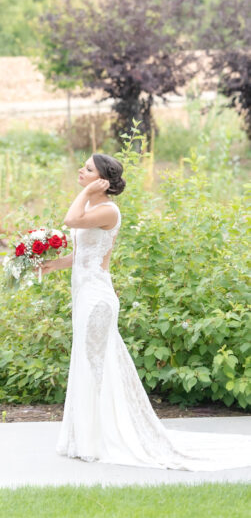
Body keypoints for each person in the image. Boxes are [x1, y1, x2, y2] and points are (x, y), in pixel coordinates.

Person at [42, 152, 250, 470]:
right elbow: (83, 252)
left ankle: (98, 439)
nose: (80, 171)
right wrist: (51, 263)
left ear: (102, 180)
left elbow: (69, 221)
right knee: (86, 362)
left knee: (95, 365)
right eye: (82, 168)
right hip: (85, 295)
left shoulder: (108, 210)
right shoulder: (92, 207)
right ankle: (83, 436)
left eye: (87, 169)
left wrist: (84, 191)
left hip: (98, 299)